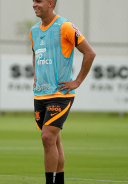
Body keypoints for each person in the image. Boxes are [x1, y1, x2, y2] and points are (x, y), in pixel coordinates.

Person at [30, 0, 96, 183]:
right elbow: (35, 52)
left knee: (47, 137)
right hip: (40, 94)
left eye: (38, 1)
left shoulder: (65, 26)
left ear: (51, 3)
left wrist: (78, 81)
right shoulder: (34, 30)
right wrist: (36, 74)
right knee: (54, 140)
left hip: (60, 94)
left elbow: (90, 53)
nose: (34, 4)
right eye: (33, 1)